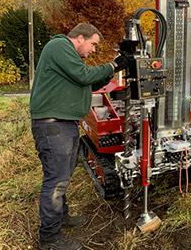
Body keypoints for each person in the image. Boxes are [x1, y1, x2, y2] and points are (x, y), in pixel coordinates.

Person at [30, 23, 128, 250]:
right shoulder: (59, 46)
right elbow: (83, 76)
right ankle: (50, 238)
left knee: (62, 176)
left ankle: (61, 219)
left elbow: (88, 83)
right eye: (93, 44)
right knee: (56, 181)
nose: (94, 50)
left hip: (64, 124)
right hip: (53, 125)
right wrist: (113, 64)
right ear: (80, 37)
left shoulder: (67, 58)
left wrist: (112, 73)